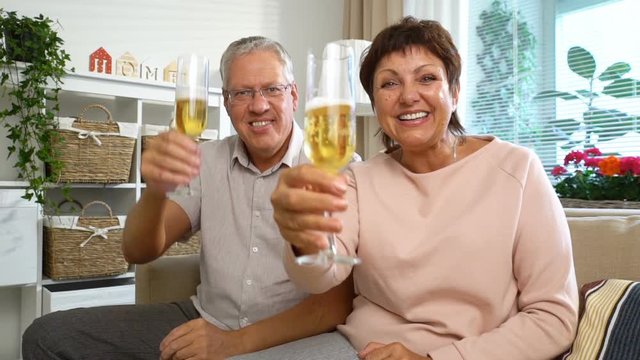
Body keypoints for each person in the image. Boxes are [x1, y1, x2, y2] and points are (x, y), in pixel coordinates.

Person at [22, 36, 356, 360]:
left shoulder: (332, 166)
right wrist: (156, 189)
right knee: (47, 336)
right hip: (203, 318)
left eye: (272, 89)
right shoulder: (206, 159)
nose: (258, 105)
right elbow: (138, 251)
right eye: (242, 92)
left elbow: (332, 306)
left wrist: (232, 344)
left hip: (288, 335)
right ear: (226, 102)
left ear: (294, 95)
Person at [271, 17, 579, 360]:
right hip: (358, 349)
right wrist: (300, 236)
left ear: (455, 92)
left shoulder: (517, 170)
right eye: (389, 84)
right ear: (376, 104)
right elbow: (320, 276)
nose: (408, 96)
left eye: (427, 78)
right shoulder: (359, 179)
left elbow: (554, 318)